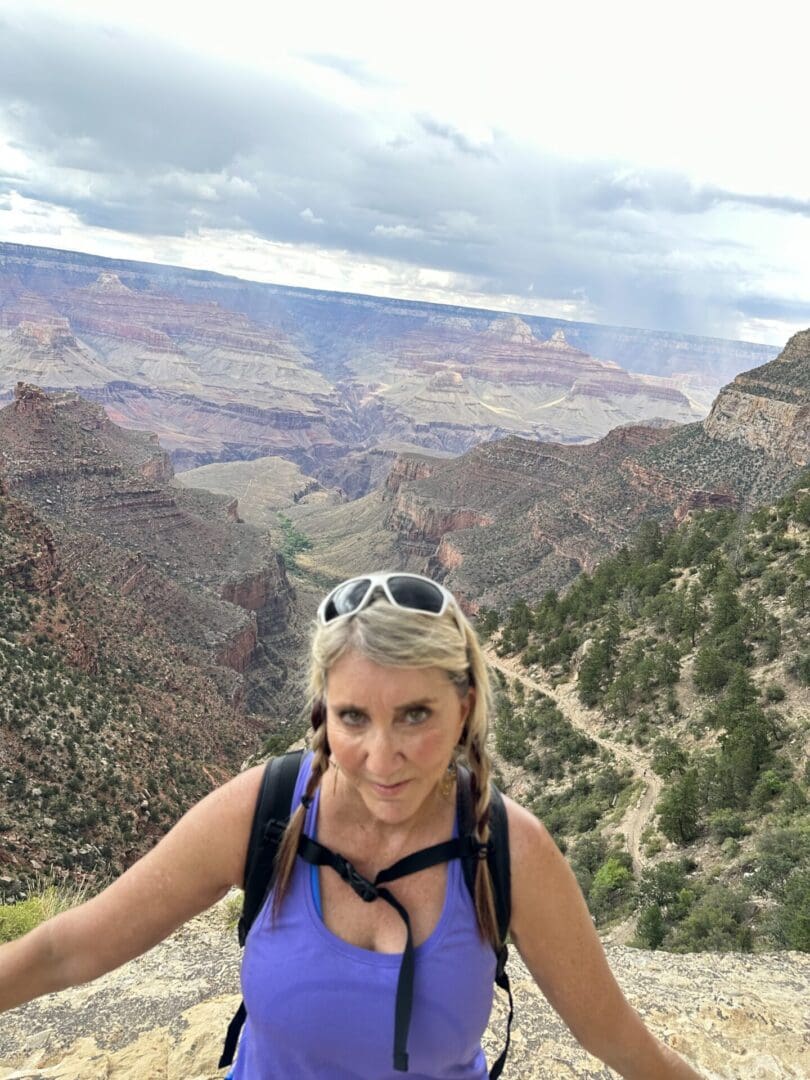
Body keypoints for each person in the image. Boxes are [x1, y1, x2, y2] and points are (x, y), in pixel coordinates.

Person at [0, 572, 703, 1079]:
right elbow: (68, 952)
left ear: (463, 708)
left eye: (416, 715)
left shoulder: (506, 850)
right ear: (322, 712)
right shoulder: (264, 812)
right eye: (353, 718)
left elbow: (622, 1046)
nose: (382, 757)